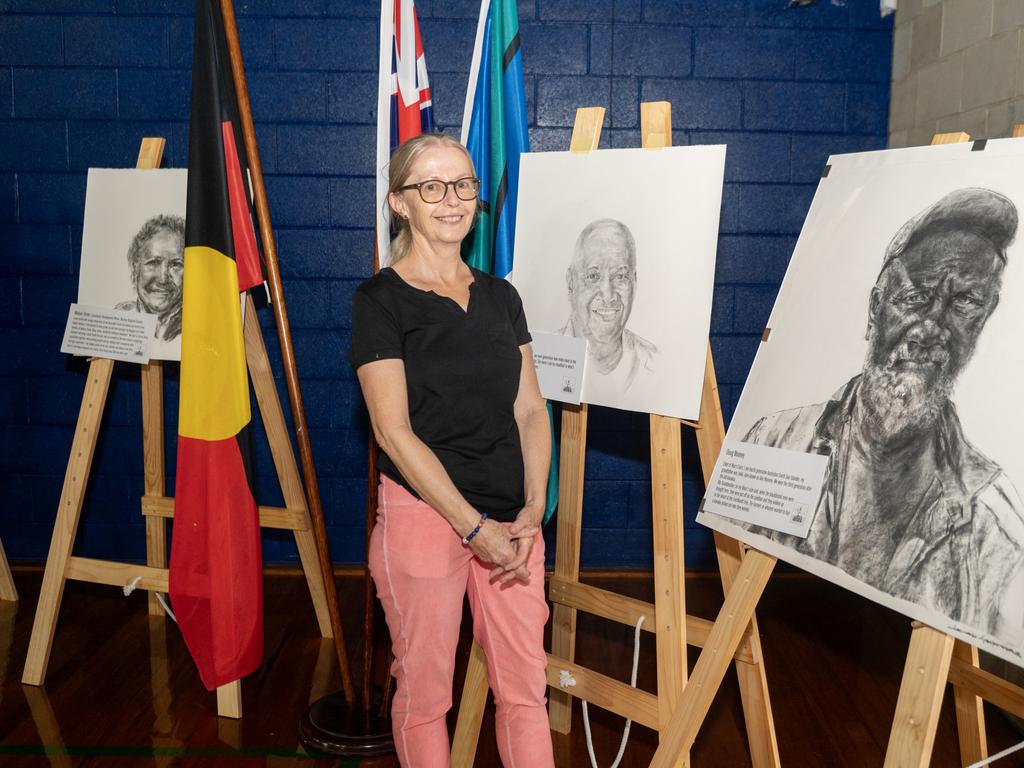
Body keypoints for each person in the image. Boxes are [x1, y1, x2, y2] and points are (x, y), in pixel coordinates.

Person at [349, 132, 554, 768]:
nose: (452, 200)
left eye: (463, 185)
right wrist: (472, 527)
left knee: (525, 693)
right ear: (399, 203)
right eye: (431, 187)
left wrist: (532, 510)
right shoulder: (379, 301)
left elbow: (529, 410)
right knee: (426, 695)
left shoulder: (501, 296)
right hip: (425, 521)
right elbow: (392, 433)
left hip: (513, 529)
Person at [744, 187, 1024, 637]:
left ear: (984, 319)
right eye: (915, 297)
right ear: (876, 308)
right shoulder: (774, 439)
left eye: (964, 303)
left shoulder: (996, 529)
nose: (931, 328)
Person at [560, 218, 657, 391]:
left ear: (634, 282)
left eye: (620, 276)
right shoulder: (542, 360)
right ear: (571, 283)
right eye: (593, 276)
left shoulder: (656, 364)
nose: (608, 295)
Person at [115, 213, 185, 342]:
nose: (163, 279)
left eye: (176, 264)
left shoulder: (201, 325)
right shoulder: (118, 319)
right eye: (154, 263)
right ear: (135, 266)